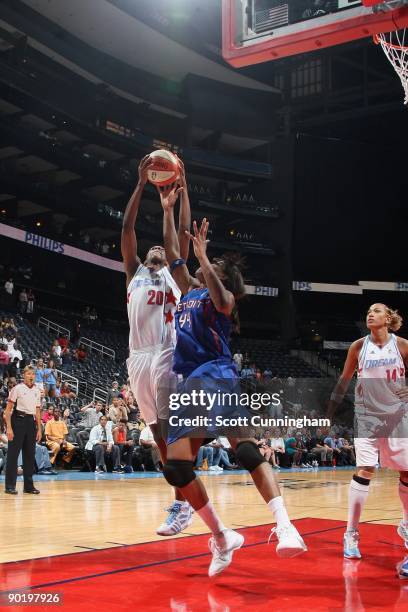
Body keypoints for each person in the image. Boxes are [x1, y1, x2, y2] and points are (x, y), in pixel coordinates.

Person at [159, 187, 307, 577]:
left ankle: (286, 526)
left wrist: (206, 255)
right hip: (188, 381)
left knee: (244, 450)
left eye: (216, 264)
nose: (209, 263)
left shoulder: (222, 301)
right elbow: (174, 253)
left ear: (224, 277)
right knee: (175, 469)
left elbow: (220, 293)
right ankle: (223, 536)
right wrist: (168, 210)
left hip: (217, 376)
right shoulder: (190, 290)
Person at [122, 154, 194, 536]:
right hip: (136, 359)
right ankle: (183, 497)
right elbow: (128, 226)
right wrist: (139, 184)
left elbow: (181, 233)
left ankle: (182, 502)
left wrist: (183, 190)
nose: (156, 249)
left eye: (162, 250)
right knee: (158, 437)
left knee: (169, 430)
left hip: (166, 352)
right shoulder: (133, 272)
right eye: (152, 250)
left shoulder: (173, 275)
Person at [328, 303, 408, 578]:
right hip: (367, 417)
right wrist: (330, 409)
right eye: (368, 311)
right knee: (364, 470)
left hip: (397, 417)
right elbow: (344, 378)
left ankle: (407, 531)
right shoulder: (358, 347)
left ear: (388, 318)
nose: (370, 314)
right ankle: (351, 533)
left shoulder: (404, 346)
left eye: (377, 310)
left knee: (406, 473)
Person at [3, 365, 42, 494]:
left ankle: (28, 486)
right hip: (17, 420)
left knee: (30, 455)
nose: (31, 376)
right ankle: (10, 486)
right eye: (29, 374)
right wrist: (9, 427)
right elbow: (7, 411)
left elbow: (37, 411)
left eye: (33, 374)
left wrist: (39, 429)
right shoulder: (17, 389)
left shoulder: (37, 390)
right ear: (24, 375)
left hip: (31, 422)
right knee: (13, 455)